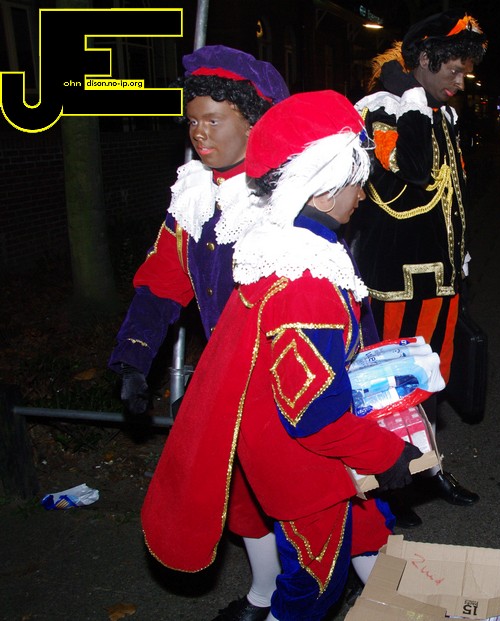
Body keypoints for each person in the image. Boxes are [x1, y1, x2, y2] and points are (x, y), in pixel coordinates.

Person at [141, 90, 424, 621]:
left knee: (367, 537)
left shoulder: (290, 248)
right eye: (356, 183)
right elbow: (313, 415)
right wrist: (387, 455)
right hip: (304, 471)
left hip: (302, 453)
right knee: (309, 593)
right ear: (324, 190)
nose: (362, 196)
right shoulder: (304, 281)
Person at [107, 45, 290, 621]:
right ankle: (266, 593)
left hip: (287, 374)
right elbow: (162, 281)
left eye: (213, 120)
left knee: (304, 495)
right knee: (242, 495)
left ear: (253, 122)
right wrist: (134, 357)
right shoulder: (192, 195)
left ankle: (366, 592)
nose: (198, 133)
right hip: (225, 375)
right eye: (192, 121)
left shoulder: (286, 199)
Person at [347, 10, 487, 526]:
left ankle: (428, 471)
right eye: (453, 68)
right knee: (390, 390)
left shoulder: (437, 113)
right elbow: (414, 174)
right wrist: (409, 98)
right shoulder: (383, 111)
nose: (461, 81)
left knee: (431, 383)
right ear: (423, 59)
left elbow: (455, 194)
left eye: (465, 70)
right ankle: (390, 487)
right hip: (396, 282)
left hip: (440, 278)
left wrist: (460, 255)